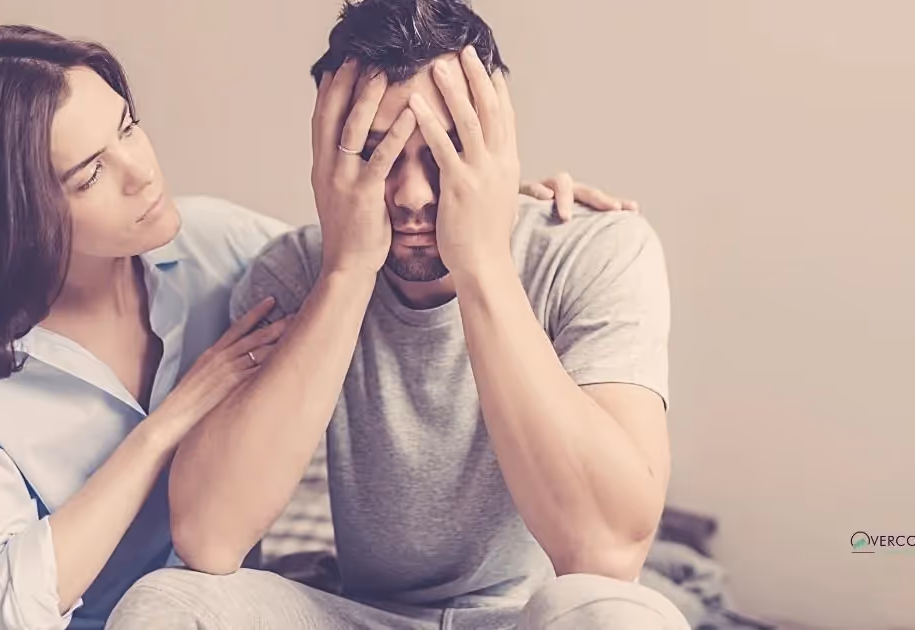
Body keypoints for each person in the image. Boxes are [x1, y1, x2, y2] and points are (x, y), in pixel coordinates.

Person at [0, 24, 630, 630]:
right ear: (8, 215)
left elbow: (367, 255)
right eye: (91, 173)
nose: (142, 172)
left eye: (128, 127)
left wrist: (497, 209)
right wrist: (164, 427)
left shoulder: (215, 244)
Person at [108, 1, 690, 629]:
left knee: (628, 619)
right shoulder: (295, 273)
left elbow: (606, 553)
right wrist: (346, 271)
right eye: (375, 155)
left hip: (527, 618)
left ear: (497, 145)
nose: (412, 196)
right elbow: (210, 538)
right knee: (166, 603)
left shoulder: (595, 250)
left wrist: (484, 264)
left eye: (445, 153)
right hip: (360, 615)